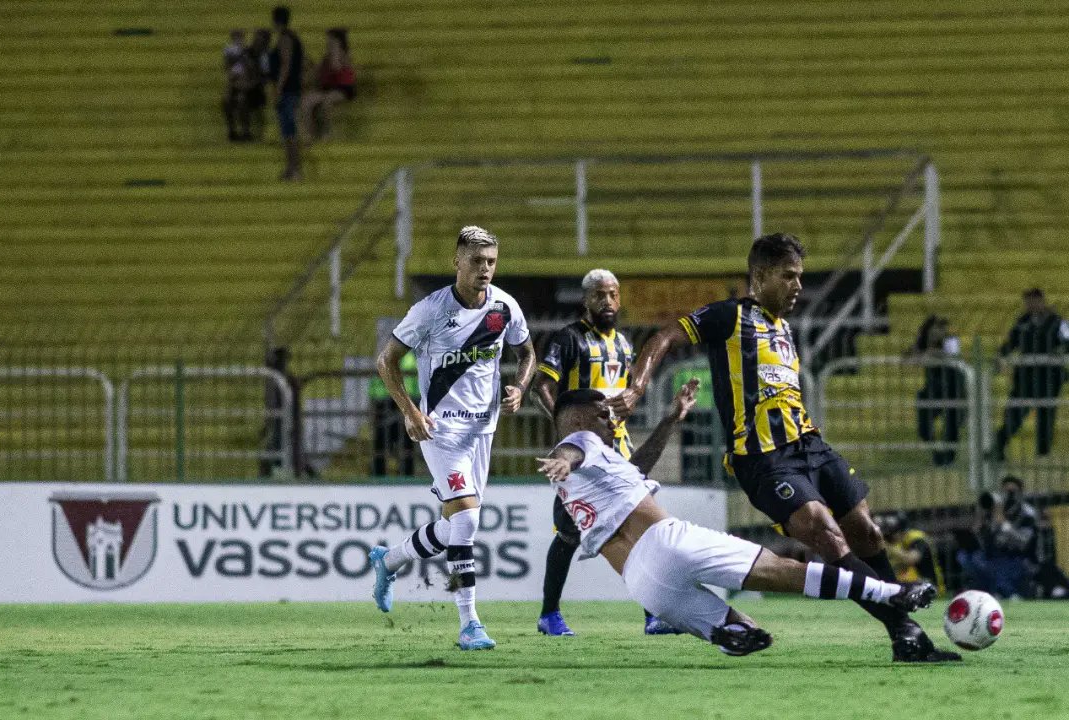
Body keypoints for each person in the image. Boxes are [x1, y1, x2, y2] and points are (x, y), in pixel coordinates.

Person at [607, 232, 961, 662]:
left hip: (810, 446)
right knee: (825, 534)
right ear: (759, 276)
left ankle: (904, 634)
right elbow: (665, 337)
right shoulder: (729, 317)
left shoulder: (785, 328)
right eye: (788, 276)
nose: (798, 286)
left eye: (800, 277)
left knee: (866, 531)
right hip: (763, 458)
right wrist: (639, 385)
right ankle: (904, 627)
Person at [537, 385, 936, 656]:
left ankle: (728, 633)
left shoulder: (585, 478)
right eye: (605, 414)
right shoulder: (581, 442)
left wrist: (671, 419)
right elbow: (576, 448)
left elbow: (634, 469)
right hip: (668, 542)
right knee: (784, 571)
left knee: (747, 631)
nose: (613, 421)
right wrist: (564, 457)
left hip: (643, 586)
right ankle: (890, 594)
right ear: (578, 420)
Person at [368, 226, 535, 651]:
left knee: (452, 526)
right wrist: (411, 412)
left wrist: (520, 385)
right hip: (440, 429)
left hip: (483, 430)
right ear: (456, 262)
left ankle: (388, 561)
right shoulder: (430, 310)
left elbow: (527, 352)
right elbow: (386, 362)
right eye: (477, 261)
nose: (485, 269)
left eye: (491, 262)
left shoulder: (504, 307)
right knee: (466, 521)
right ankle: (469, 623)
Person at [531, 269, 678, 636]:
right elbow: (541, 386)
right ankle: (549, 614)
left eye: (612, 295)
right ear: (586, 300)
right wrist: (568, 429)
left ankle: (653, 613)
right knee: (568, 534)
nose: (607, 302)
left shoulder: (624, 345)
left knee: (637, 527)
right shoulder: (569, 339)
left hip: (618, 450)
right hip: (582, 455)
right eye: (599, 296)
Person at [992, 288, 1069, 460]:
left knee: (1046, 416)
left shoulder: (1058, 322)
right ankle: (999, 443)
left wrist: (1059, 352)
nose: (1031, 305)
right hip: (1025, 377)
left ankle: (1043, 453)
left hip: (1049, 376)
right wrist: (1000, 355)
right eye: (1028, 302)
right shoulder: (1022, 322)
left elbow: (1067, 342)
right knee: (1014, 413)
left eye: (1034, 301)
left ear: (1042, 301)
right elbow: (1011, 343)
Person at [957, 475, 1039, 598]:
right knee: (965, 556)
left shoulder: (1027, 513)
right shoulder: (994, 509)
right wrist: (980, 522)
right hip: (993, 554)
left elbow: (1023, 543)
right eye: (1006, 491)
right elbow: (983, 539)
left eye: (1012, 492)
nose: (1008, 495)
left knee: (1001, 565)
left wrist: (1003, 523)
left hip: (1017, 556)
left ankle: (1008, 593)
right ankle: (981, 592)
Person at [906, 315, 966, 466]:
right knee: (924, 427)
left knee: (952, 426)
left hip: (954, 389)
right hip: (933, 390)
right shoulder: (923, 343)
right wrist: (920, 353)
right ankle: (937, 454)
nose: (939, 332)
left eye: (942, 329)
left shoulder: (951, 340)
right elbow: (908, 360)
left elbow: (953, 357)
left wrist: (930, 354)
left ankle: (948, 458)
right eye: (936, 329)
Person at [301, 28, 357, 141]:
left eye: (331, 40)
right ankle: (310, 134)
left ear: (339, 41)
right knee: (306, 101)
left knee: (327, 101)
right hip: (327, 88)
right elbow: (318, 72)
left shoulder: (345, 54)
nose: (328, 42)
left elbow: (337, 68)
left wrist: (335, 54)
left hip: (343, 89)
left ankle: (326, 133)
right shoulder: (327, 56)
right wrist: (309, 64)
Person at [367, 351, 418, 476]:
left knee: (405, 443)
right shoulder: (406, 356)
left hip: (405, 402)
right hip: (386, 403)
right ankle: (379, 475)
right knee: (382, 442)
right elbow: (375, 383)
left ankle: (406, 475)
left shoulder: (407, 356)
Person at [269, 6, 304, 180]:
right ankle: (291, 168)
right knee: (288, 132)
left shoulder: (285, 38)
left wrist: (278, 89)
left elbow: (285, 64)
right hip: (292, 89)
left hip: (288, 91)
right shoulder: (293, 37)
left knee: (289, 132)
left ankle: (294, 169)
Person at [878, 511, 945, 596]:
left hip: (930, 589)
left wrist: (886, 546)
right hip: (909, 588)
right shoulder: (897, 543)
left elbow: (911, 559)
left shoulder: (916, 537)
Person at [222, 29, 251, 141]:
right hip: (233, 81)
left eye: (240, 36)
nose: (238, 39)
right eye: (236, 36)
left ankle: (245, 131)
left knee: (242, 102)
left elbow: (249, 67)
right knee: (226, 103)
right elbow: (227, 66)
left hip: (244, 83)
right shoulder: (229, 50)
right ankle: (232, 131)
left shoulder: (247, 50)